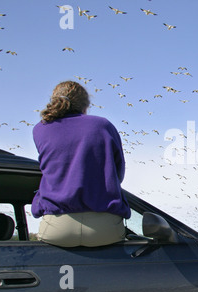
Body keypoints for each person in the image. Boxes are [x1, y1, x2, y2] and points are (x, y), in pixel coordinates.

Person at [31, 80, 131, 247]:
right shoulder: (103, 125)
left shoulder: (40, 128)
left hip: (57, 228)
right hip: (104, 229)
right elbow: (118, 173)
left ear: (54, 100)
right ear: (85, 105)